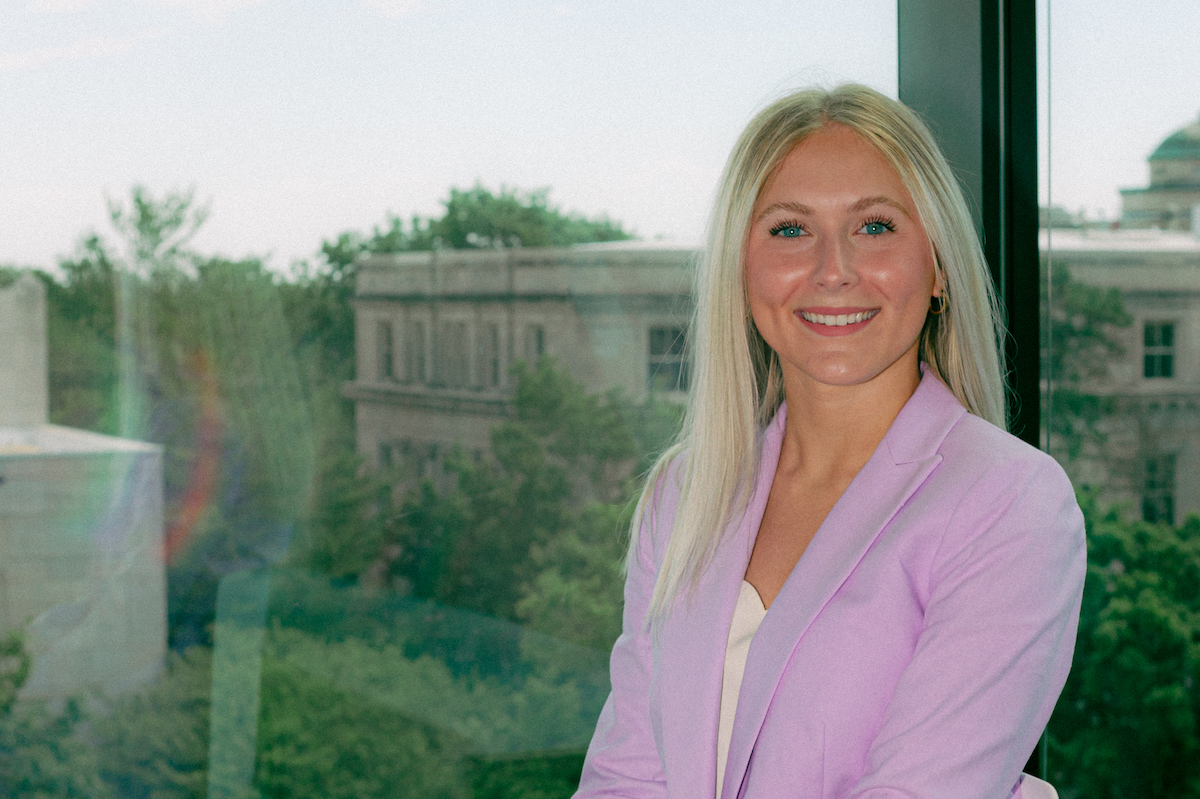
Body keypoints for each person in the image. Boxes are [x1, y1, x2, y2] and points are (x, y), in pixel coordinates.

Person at [573, 84, 1086, 799]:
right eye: (790, 229)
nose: (833, 269)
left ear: (937, 266)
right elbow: (625, 779)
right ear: (741, 270)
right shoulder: (685, 492)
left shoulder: (1009, 502)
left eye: (875, 226)